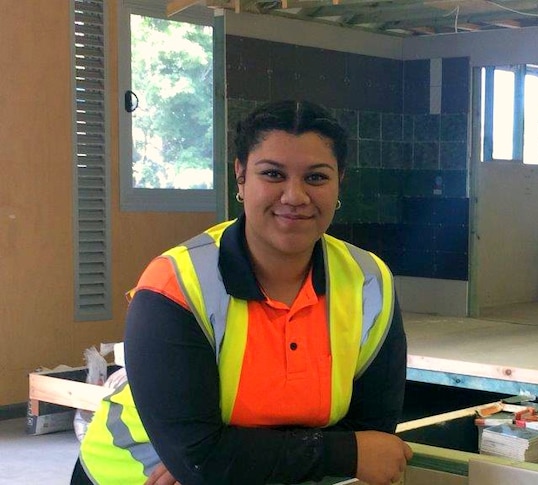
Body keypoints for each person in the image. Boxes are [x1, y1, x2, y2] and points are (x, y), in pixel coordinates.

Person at [73, 100, 412, 485]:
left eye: (316, 177)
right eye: (272, 174)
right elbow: (201, 460)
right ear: (240, 175)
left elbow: (373, 432)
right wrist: (342, 452)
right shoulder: (176, 285)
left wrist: (226, 462)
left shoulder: (369, 281)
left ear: (340, 182)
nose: (295, 196)